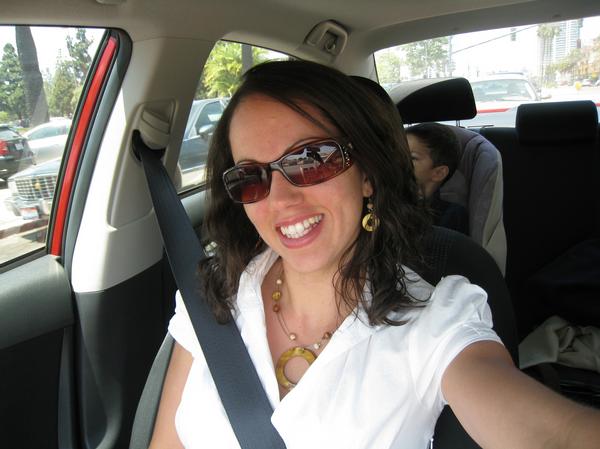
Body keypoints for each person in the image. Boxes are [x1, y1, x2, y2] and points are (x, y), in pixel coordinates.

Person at [149, 60, 600, 449]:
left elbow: (551, 435)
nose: (280, 200)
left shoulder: (435, 322)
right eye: (251, 177)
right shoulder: (214, 293)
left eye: (310, 159)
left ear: (366, 174)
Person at [406, 122, 469, 235]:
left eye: (412, 158)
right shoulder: (385, 199)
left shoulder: (452, 215)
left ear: (439, 173)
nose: (399, 160)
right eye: (399, 154)